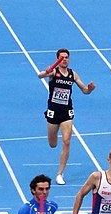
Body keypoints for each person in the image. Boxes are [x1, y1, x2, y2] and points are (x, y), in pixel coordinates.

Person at [37, 48, 96, 185]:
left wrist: (90, 89)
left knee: (67, 141)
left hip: (67, 112)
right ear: (57, 59)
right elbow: (40, 75)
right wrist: (46, 72)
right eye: (62, 57)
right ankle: (54, 137)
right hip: (53, 111)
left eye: (66, 57)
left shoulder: (73, 74)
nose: (64, 60)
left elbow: (85, 90)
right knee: (53, 144)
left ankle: (60, 174)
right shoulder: (53, 72)